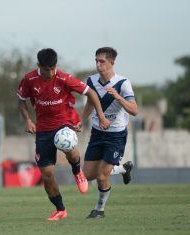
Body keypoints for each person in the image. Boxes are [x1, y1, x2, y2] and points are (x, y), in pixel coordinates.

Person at [17, 48, 110, 221]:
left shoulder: (64, 78)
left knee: (66, 143)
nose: (51, 72)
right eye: (47, 69)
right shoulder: (29, 79)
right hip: (43, 129)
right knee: (47, 174)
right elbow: (21, 101)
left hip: (64, 121)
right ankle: (60, 210)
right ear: (39, 66)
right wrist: (28, 120)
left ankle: (77, 171)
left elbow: (91, 93)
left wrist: (101, 116)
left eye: (53, 68)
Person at [81, 47, 138, 219]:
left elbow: (134, 110)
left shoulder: (123, 83)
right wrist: (80, 120)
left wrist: (119, 98)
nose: (98, 64)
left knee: (101, 175)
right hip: (98, 133)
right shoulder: (90, 81)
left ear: (112, 62)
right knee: (88, 175)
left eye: (102, 61)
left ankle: (99, 210)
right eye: (96, 61)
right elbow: (90, 104)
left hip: (116, 135)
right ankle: (123, 169)